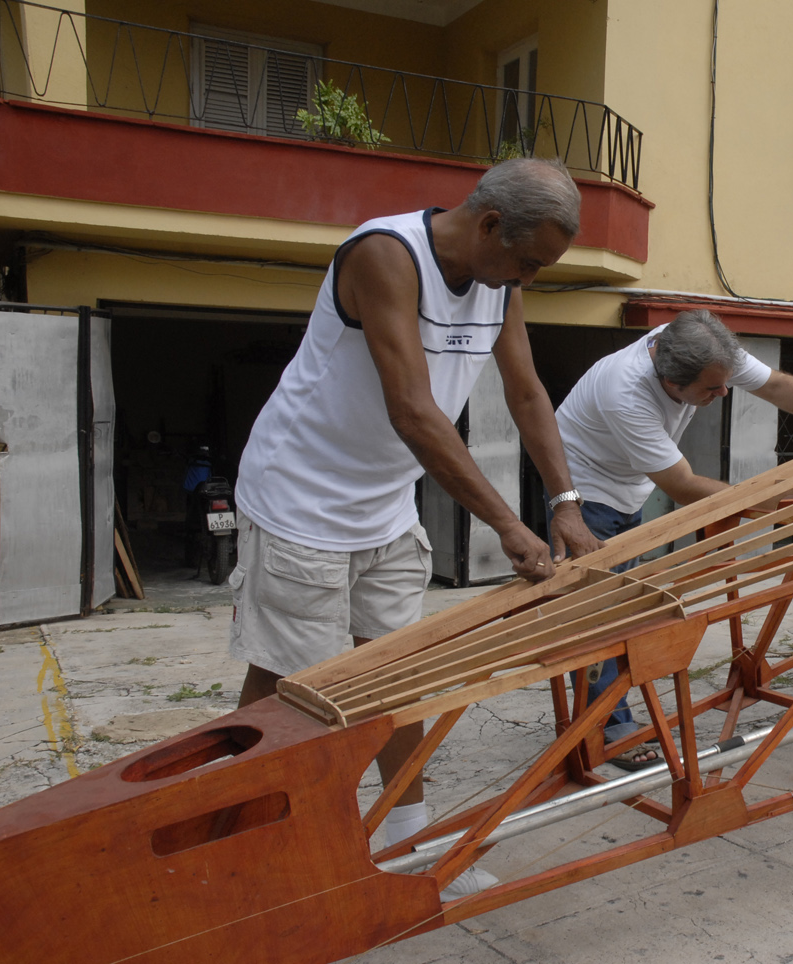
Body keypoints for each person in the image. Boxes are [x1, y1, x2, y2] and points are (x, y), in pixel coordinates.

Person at [229, 157, 600, 898]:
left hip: (385, 506)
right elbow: (414, 409)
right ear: (490, 223)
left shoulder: (500, 286)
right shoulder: (385, 255)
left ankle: (408, 841)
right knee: (291, 687)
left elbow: (527, 391)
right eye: (526, 262)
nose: (525, 280)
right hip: (299, 500)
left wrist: (564, 499)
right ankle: (243, 834)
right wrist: (505, 523)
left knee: (398, 676)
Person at [554, 309, 793, 768]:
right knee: (597, 622)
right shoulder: (625, 393)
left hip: (628, 487)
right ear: (670, 380)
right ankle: (608, 732)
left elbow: (774, 385)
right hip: (587, 496)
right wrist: (782, 504)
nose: (724, 392)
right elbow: (684, 486)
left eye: (724, 381)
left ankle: (606, 718)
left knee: (625, 613)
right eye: (711, 390)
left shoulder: (703, 346)